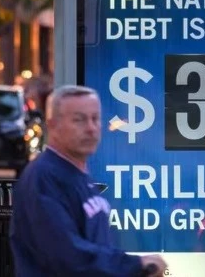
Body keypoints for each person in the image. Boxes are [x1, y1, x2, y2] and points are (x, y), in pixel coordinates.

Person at [9, 85, 167, 277]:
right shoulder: (43, 178)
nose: (91, 128)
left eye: (95, 119)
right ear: (52, 125)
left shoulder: (81, 176)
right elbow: (67, 256)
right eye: (79, 120)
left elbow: (96, 249)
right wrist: (134, 264)